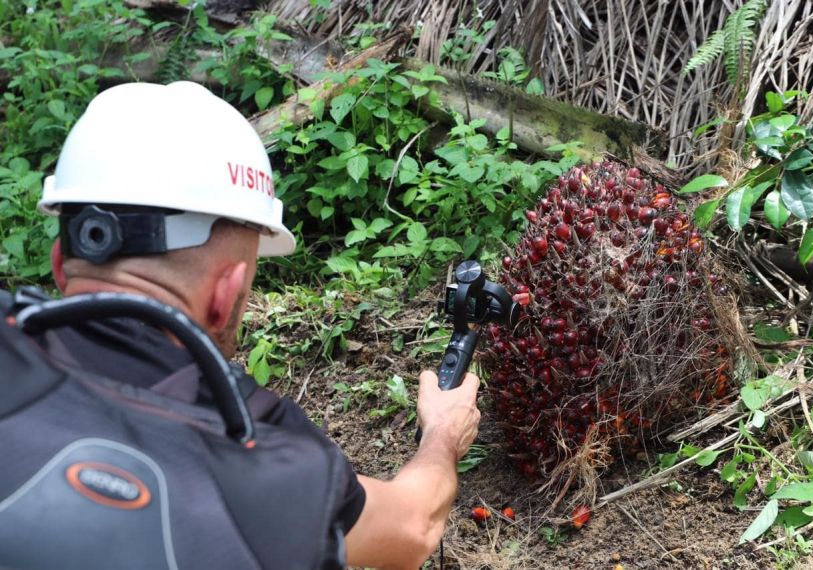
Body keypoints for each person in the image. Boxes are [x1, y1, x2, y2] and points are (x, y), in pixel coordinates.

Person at [24, 81, 482, 569]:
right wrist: (442, 433)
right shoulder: (260, 452)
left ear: (60, 263)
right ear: (226, 294)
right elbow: (412, 527)